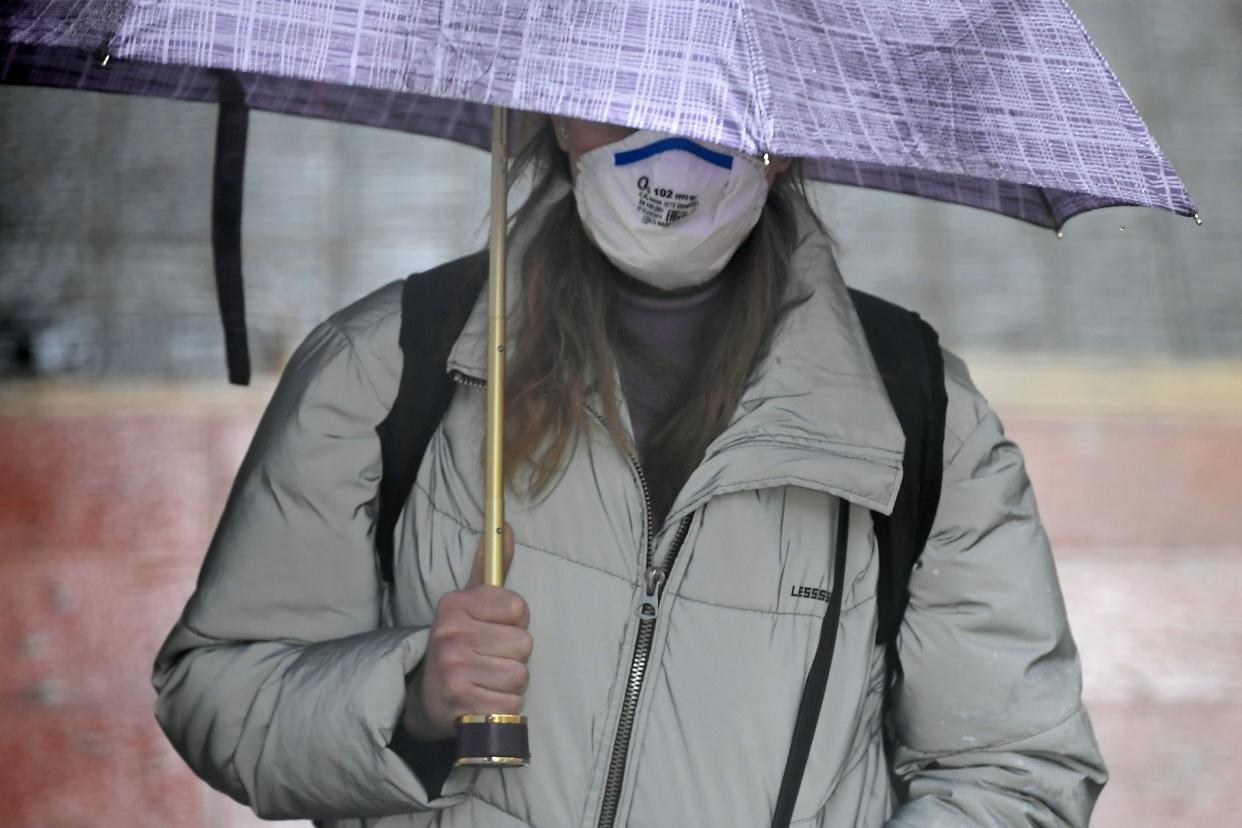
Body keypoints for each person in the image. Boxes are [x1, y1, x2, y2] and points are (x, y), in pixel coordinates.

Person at [152, 114, 1108, 827]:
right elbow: (221, 688)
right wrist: (406, 701)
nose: (673, 136)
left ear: (792, 132)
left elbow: (1015, 768)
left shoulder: (910, 414)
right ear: (554, 110)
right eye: (629, 91)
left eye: (722, 99)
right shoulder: (392, 365)